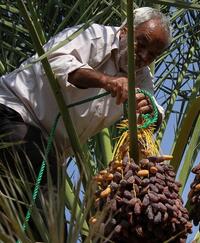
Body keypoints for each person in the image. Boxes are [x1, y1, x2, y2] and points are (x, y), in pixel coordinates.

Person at [0, 7, 171, 238]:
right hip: (14, 112)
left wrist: (150, 108)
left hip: (49, 150)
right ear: (125, 31)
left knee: (40, 223)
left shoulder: (141, 77)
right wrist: (107, 81)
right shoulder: (94, 36)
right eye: (141, 43)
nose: (143, 57)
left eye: (153, 54)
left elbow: (155, 110)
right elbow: (55, 61)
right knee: (47, 219)